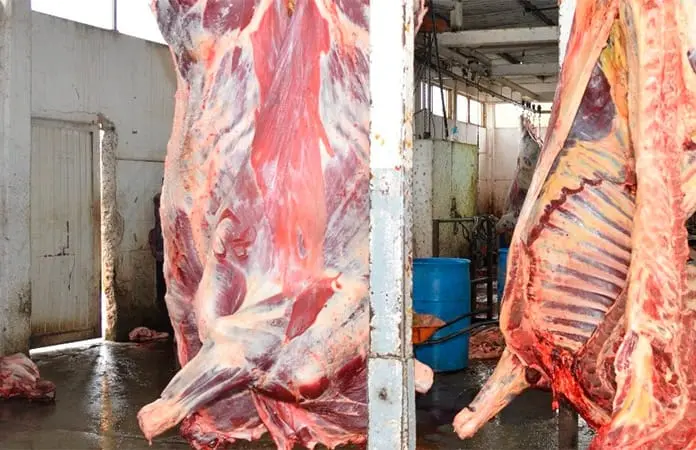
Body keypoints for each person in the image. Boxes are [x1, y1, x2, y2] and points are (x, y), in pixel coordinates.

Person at [149, 192, 172, 334]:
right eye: (156, 207)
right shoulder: (156, 229)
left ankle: (169, 325)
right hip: (160, 262)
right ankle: (164, 322)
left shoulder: (169, 223)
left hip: (169, 263)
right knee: (161, 291)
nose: (157, 211)